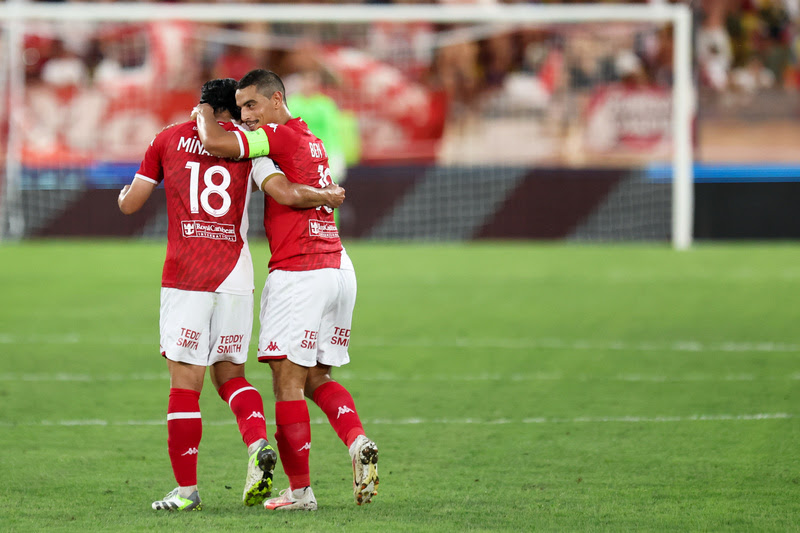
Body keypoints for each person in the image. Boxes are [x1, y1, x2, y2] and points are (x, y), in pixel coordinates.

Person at [118, 78, 345, 512]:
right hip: (237, 275)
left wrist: (123, 193)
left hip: (188, 274)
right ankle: (258, 442)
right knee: (231, 377)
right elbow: (280, 189)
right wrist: (326, 194)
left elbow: (132, 204)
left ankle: (186, 492)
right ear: (235, 110)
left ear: (202, 106)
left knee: (185, 386)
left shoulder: (166, 138)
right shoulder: (251, 145)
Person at [193, 69, 379, 511]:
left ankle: (300, 492)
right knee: (317, 377)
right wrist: (324, 193)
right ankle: (357, 442)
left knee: (287, 383)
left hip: (301, 271)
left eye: (253, 105)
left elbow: (218, 146)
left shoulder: (273, 137)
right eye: (240, 110)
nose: (247, 116)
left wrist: (204, 110)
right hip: (337, 265)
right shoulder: (309, 139)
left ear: (277, 100)